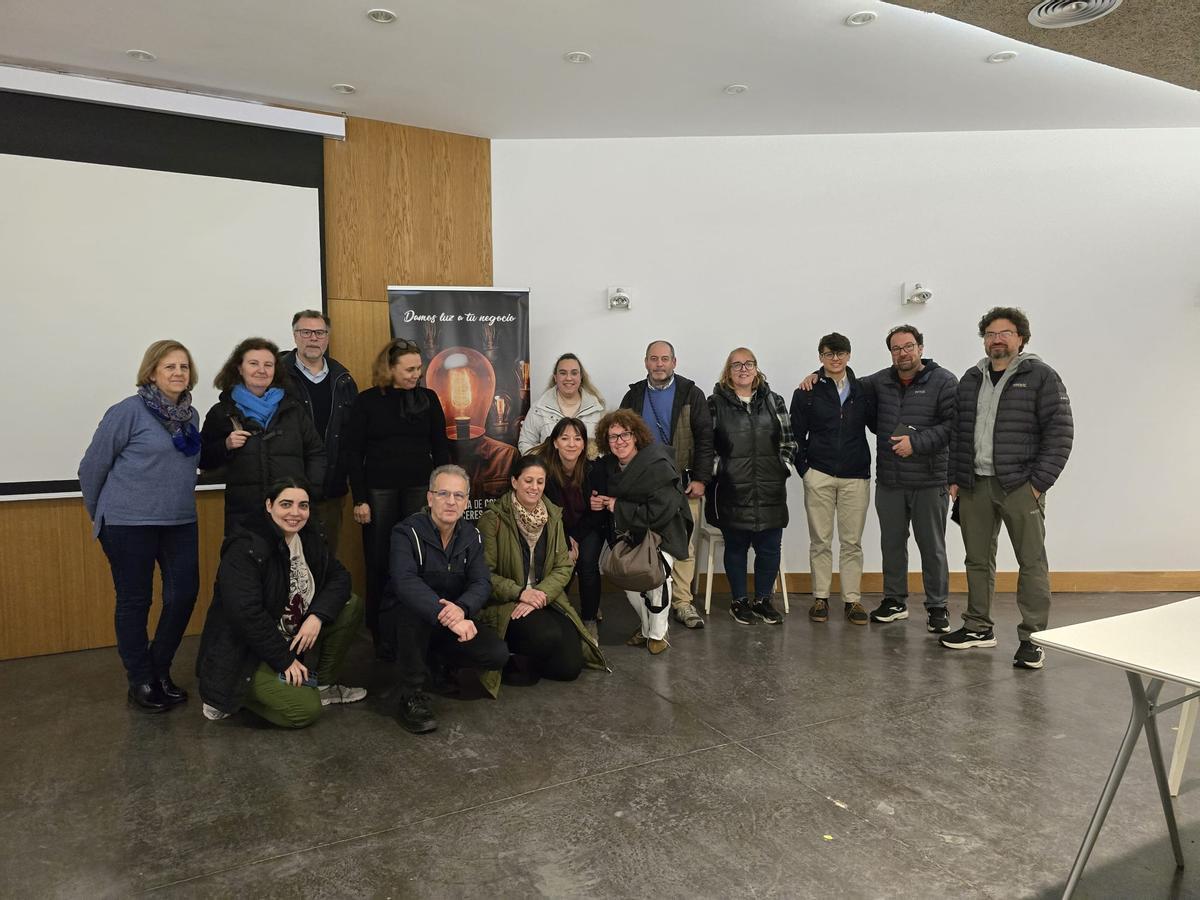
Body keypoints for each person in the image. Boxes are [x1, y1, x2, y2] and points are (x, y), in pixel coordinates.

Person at [941, 307, 1073, 669]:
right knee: (976, 560)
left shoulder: (1041, 376)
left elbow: (1060, 433)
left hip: (1019, 485)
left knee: (1031, 561)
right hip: (975, 484)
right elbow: (958, 432)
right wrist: (955, 476)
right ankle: (978, 627)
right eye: (990, 334)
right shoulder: (971, 379)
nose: (996, 339)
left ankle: (1033, 638)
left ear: (1021, 338)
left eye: (1005, 333)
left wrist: (1038, 484)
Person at [79, 340, 202, 713]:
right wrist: (100, 515)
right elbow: (91, 467)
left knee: (183, 595)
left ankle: (159, 669)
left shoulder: (191, 416)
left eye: (183, 366)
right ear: (151, 373)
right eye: (169, 367)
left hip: (179, 520)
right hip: (128, 523)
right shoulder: (128, 412)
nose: (178, 372)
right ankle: (141, 680)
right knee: (135, 601)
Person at [195, 478, 367, 727]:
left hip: (287, 639)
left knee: (350, 605)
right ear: (269, 505)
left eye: (303, 505)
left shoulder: (308, 536)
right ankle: (230, 696)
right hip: (245, 652)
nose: (295, 513)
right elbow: (247, 615)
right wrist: (284, 661)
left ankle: (321, 686)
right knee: (305, 710)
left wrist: (317, 616)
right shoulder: (245, 547)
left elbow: (340, 576)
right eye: (286, 504)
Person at [344, 338, 450, 657]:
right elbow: (353, 453)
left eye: (419, 368)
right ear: (389, 369)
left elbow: (441, 447)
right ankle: (382, 633)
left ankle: (419, 628)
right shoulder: (367, 401)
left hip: (420, 490)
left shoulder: (428, 399)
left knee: (419, 560)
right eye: (409, 369)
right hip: (379, 492)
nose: (416, 374)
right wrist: (359, 499)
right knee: (380, 560)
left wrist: (443, 492)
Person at [385, 465, 510, 734]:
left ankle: (437, 661)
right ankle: (411, 693)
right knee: (411, 612)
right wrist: (447, 615)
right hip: (408, 621)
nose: (451, 501)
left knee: (496, 654)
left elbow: (481, 582)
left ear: (466, 502)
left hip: (450, 619)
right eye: (443, 494)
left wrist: (463, 608)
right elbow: (405, 582)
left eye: (458, 495)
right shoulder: (406, 532)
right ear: (430, 498)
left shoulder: (472, 536)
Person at [477, 456, 606, 692]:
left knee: (570, 668)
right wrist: (521, 593)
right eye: (528, 481)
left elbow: (563, 567)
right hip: (509, 602)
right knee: (546, 635)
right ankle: (510, 655)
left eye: (540, 481)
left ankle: (525, 661)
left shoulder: (553, 516)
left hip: (544, 599)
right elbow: (484, 575)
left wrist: (539, 594)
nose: (534, 487)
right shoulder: (493, 519)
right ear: (514, 482)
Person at [865, 325, 958, 634]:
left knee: (932, 547)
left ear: (920, 347)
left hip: (929, 481)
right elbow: (845, 380)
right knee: (891, 544)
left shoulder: (944, 381)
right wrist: (816, 375)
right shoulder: (880, 381)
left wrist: (915, 444)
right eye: (896, 349)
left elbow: (953, 425)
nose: (902, 353)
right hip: (890, 481)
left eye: (908, 346)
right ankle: (894, 601)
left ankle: (937, 606)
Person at [619, 340, 714, 630]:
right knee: (645, 543)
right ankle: (650, 600)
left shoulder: (691, 393)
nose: (659, 364)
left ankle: (682, 603)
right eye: (653, 358)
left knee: (683, 544)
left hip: (682, 483)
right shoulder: (634, 395)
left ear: (674, 362)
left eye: (664, 359)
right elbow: (620, 437)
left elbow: (705, 438)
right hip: (643, 486)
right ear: (645, 362)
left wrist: (701, 478)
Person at [200, 338, 326, 536]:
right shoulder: (222, 412)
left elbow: (316, 453)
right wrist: (225, 445)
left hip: (292, 513)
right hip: (244, 514)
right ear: (239, 368)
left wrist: (308, 492)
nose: (262, 370)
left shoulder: (293, 409)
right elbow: (203, 459)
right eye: (253, 363)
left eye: (268, 365)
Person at [590, 409, 693, 655]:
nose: (619, 441)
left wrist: (617, 506)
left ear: (636, 436)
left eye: (624, 434)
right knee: (629, 579)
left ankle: (658, 635)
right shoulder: (611, 467)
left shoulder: (657, 464)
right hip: (634, 534)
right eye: (613, 437)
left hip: (664, 532)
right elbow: (602, 493)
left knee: (655, 579)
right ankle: (647, 629)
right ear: (606, 441)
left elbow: (660, 511)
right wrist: (597, 500)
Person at [707, 347, 795, 626]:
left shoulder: (774, 401)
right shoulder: (714, 404)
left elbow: (789, 442)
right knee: (736, 548)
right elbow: (706, 446)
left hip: (770, 490)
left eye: (748, 364)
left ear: (756, 368)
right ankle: (739, 602)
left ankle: (763, 601)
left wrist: (782, 466)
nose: (743, 369)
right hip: (733, 491)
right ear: (728, 371)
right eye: (736, 365)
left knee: (769, 549)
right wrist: (721, 469)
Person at [790, 333, 873, 626]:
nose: (835, 359)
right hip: (819, 474)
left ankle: (852, 600)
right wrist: (805, 470)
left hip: (856, 476)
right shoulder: (806, 391)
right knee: (820, 541)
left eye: (840, 353)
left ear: (849, 355)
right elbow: (794, 434)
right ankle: (820, 598)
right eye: (828, 354)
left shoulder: (863, 390)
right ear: (820, 357)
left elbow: (877, 424)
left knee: (852, 542)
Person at [280, 309, 358, 553]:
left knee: (325, 557)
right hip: (288, 489)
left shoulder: (343, 380)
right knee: (286, 559)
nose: (313, 338)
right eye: (306, 332)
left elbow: (352, 437)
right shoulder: (277, 377)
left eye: (320, 333)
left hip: (330, 489)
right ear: (295, 336)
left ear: (327, 337)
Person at [537, 417, 605, 641]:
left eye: (577, 438)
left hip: (588, 526)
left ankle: (589, 619)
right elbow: (548, 514)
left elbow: (597, 512)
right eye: (565, 438)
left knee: (587, 564)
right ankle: (560, 615)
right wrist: (566, 541)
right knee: (563, 562)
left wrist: (575, 537)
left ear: (584, 444)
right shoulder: (545, 471)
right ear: (555, 442)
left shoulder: (594, 469)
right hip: (556, 529)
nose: (571, 444)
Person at [518, 353, 605, 455]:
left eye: (574, 373)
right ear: (555, 377)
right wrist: (543, 461)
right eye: (563, 373)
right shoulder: (539, 409)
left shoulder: (597, 409)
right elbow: (525, 443)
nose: (568, 378)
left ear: (581, 377)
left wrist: (593, 460)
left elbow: (605, 446)